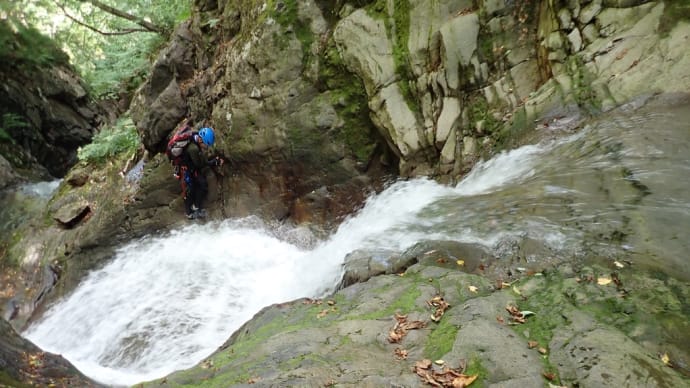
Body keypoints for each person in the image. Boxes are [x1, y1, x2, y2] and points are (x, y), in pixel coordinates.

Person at [178, 126, 223, 219]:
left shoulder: (196, 136)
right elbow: (200, 164)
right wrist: (214, 162)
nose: (206, 147)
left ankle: (196, 207)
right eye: (206, 145)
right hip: (188, 169)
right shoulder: (193, 148)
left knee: (201, 185)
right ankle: (190, 213)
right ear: (201, 141)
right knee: (192, 189)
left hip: (191, 166)